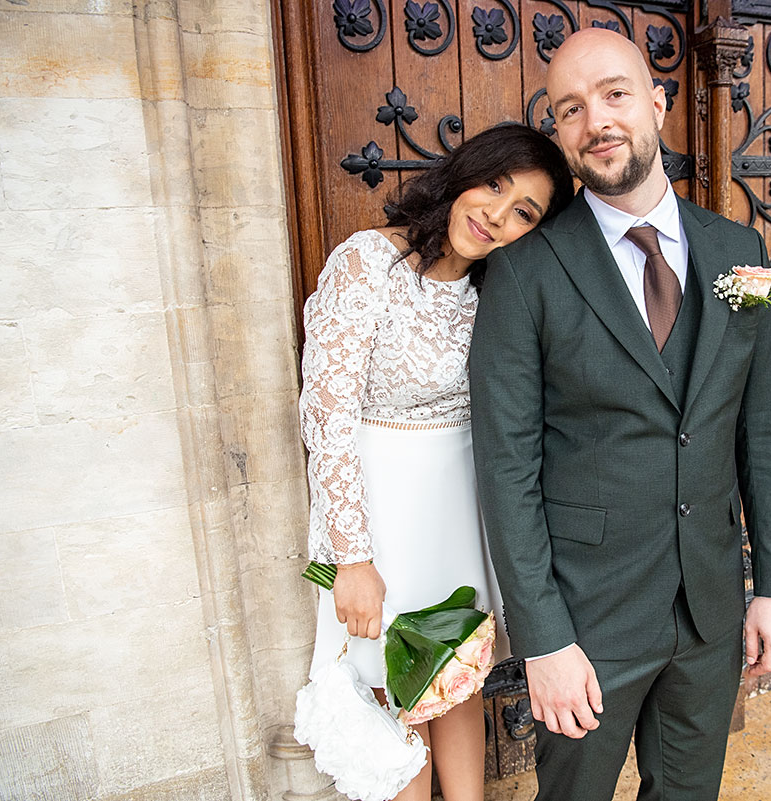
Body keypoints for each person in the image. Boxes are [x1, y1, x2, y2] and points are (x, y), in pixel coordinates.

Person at [469, 30, 771, 801]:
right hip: (588, 620)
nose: (597, 121)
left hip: (710, 604)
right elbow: (507, 467)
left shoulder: (739, 250)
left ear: (657, 102)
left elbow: (763, 431)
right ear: (560, 132)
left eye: (615, 94)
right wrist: (544, 639)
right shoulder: (523, 271)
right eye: (571, 108)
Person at [300, 123, 574, 801]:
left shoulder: (497, 294)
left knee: (457, 676)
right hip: (378, 515)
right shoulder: (365, 262)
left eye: (523, 213)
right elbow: (326, 416)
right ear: (465, 173)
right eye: (494, 185)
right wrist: (352, 555)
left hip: (458, 512)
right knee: (395, 683)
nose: (494, 215)